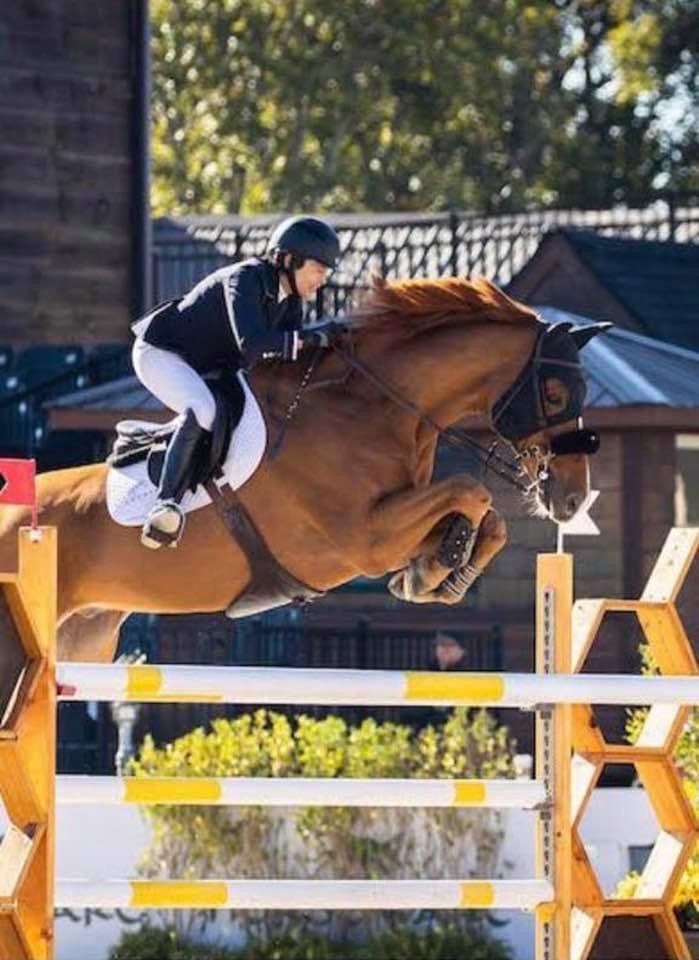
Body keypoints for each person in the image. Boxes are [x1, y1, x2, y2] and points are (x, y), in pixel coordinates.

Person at [131, 215, 344, 550]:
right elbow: (254, 344)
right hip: (164, 354)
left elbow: (283, 362)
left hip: (210, 365)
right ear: (289, 260)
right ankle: (165, 505)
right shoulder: (244, 279)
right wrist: (310, 338)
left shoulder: (290, 303)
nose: (322, 280)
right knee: (203, 409)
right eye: (318, 270)